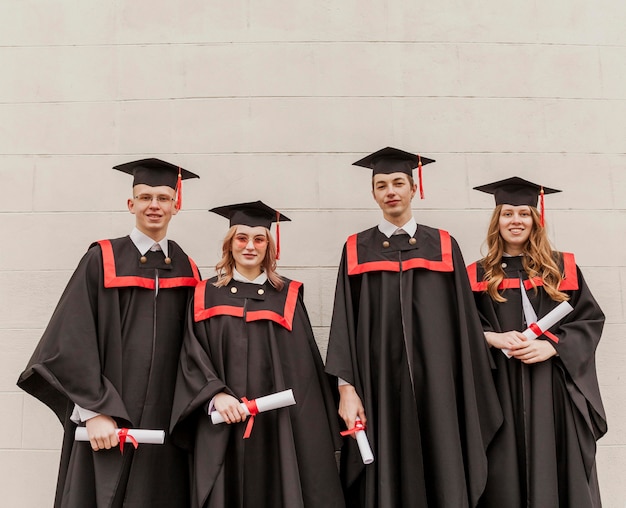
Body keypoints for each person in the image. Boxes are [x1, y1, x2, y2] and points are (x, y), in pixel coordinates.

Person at [324, 147, 503, 508]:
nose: (390, 190)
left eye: (398, 182)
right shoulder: (357, 248)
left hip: (440, 385)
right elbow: (344, 320)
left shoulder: (443, 245)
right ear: (373, 193)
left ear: (413, 186)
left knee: (443, 464)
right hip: (379, 385)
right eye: (381, 184)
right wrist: (347, 389)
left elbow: (465, 322)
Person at [17, 159, 201, 508]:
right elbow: (71, 336)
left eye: (163, 198)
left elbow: (196, 348)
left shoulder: (186, 268)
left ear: (176, 206)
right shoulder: (102, 258)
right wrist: (93, 410)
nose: (154, 205)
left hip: (163, 420)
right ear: (130, 204)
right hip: (107, 417)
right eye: (145, 197)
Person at [170, 201, 345, 508]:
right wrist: (215, 395)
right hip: (223, 423)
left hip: (278, 426)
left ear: (269, 247)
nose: (249, 246)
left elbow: (305, 371)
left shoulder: (287, 296)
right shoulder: (205, 294)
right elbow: (191, 355)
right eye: (241, 238)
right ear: (230, 244)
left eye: (259, 239)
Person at [467, 176, 607, 508]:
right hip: (501, 391)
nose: (516, 221)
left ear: (535, 220)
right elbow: (460, 328)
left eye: (524, 213)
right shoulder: (477, 274)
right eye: (508, 213)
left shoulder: (562, 268)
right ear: (496, 221)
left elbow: (590, 320)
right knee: (503, 476)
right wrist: (493, 338)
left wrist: (553, 346)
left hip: (552, 389)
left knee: (557, 468)